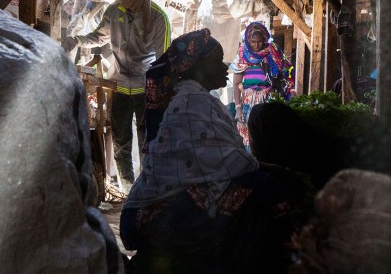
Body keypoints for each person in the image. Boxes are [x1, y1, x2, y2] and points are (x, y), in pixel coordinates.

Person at [121, 29, 294, 274]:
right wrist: (272, 169)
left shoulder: (192, 97)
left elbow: (218, 159)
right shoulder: (193, 102)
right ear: (197, 65)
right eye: (216, 60)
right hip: (163, 205)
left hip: (159, 198)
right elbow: (227, 161)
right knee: (267, 187)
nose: (225, 67)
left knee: (261, 181)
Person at [69, 0, 171, 190]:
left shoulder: (158, 17)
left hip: (147, 88)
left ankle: (147, 188)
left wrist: (164, 93)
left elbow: (165, 60)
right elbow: (99, 37)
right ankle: (127, 190)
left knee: (148, 143)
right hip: (119, 87)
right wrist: (77, 40)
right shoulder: (114, 11)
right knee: (120, 143)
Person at [231, 21, 293, 148]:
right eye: (253, 41)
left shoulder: (272, 53)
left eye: (259, 41)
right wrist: (238, 108)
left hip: (267, 98)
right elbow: (236, 83)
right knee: (248, 136)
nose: (256, 45)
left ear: (264, 39)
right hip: (249, 101)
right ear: (248, 40)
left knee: (267, 134)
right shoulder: (243, 54)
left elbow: (284, 72)